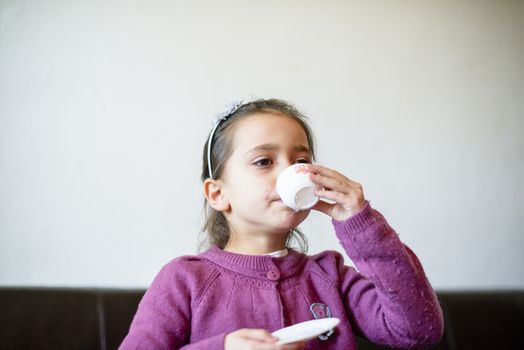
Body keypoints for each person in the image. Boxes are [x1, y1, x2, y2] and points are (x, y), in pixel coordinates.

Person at [120, 99, 444, 349]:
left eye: (301, 161)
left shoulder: (330, 276)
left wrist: (362, 224)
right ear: (217, 193)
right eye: (264, 161)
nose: (292, 173)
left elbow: (417, 331)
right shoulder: (184, 280)